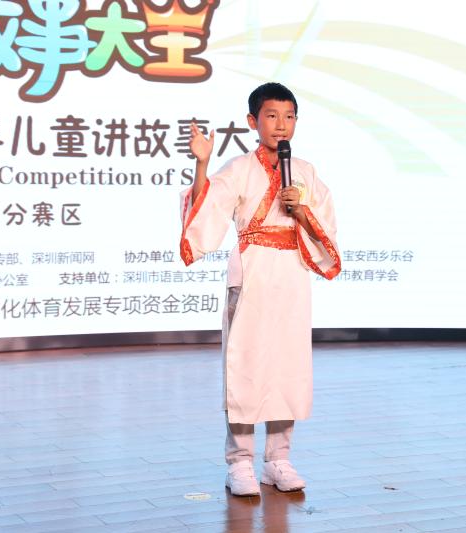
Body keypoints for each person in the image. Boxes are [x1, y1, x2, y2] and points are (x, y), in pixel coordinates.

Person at [180, 82, 341, 496]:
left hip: (291, 275)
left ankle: (278, 459)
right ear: (253, 121)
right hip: (251, 272)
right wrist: (202, 163)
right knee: (246, 365)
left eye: (289, 116)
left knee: (287, 366)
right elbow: (206, 205)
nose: (281, 125)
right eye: (271, 116)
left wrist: (300, 210)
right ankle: (240, 462)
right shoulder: (238, 169)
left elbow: (325, 229)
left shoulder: (304, 171)